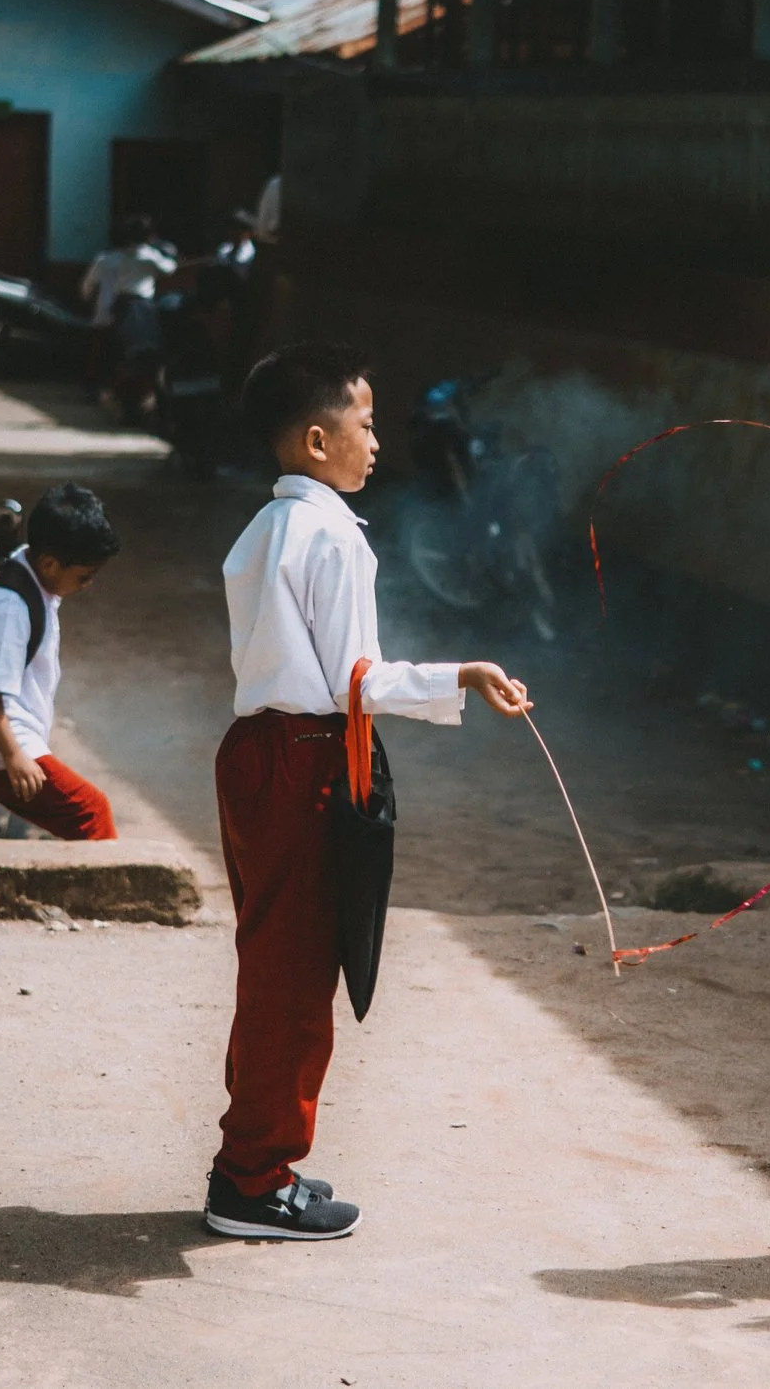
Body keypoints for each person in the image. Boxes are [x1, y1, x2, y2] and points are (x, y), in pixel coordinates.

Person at [205, 344, 533, 1241]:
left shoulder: (267, 529)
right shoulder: (332, 535)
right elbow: (357, 681)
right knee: (296, 975)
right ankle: (252, 1180)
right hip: (305, 756)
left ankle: (257, 1162)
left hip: (256, 753)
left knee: (276, 961)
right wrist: (461, 673)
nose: (378, 442)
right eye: (366, 422)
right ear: (318, 440)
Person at [0, 484, 122, 842]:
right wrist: (15, 756)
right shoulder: (10, 607)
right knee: (91, 813)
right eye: (84, 576)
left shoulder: (29, 577)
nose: (88, 584)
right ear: (49, 563)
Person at [81, 213, 178, 366]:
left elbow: (88, 288)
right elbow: (170, 269)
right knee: (140, 348)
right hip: (141, 307)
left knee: (111, 347)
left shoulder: (111, 258)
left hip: (118, 305)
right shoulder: (150, 256)